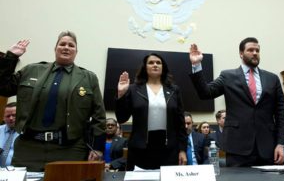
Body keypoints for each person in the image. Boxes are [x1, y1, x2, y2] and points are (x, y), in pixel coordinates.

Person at [0, 32, 106, 171]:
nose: (66, 47)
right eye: (62, 44)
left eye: (71, 45)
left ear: (76, 51)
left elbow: (99, 116)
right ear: (55, 48)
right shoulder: (32, 70)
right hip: (29, 148)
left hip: (70, 150)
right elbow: (3, 88)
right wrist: (11, 57)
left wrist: (97, 148)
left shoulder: (88, 78)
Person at [189, 37, 284, 167]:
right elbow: (205, 93)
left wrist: (281, 143)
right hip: (238, 147)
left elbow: (281, 113)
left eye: (257, 50)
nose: (254, 53)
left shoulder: (272, 79)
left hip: (268, 146)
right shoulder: (228, 76)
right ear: (241, 53)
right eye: (250, 50)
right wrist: (196, 65)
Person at [115, 53, 187, 170]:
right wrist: (121, 94)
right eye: (151, 62)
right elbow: (122, 118)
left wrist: (183, 150)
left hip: (169, 149)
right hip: (140, 149)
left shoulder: (174, 90)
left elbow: (180, 123)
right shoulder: (133, 89)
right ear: (145, 67)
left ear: (163, 67)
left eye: (158, 63)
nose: (155, 65)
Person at [0, 102, 19, 167]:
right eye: (8, 116)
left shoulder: (27, 133)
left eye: (14, 115)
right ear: (3, 118)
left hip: (19, 171)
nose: (11, 118)